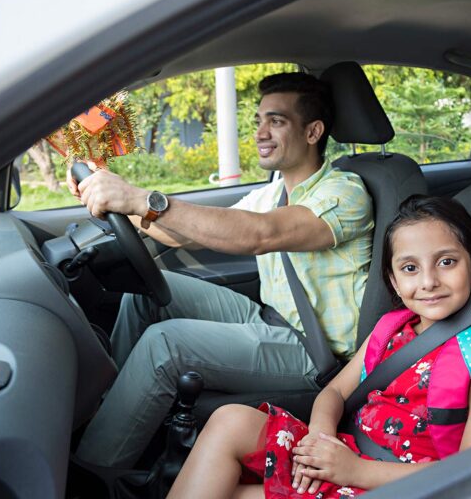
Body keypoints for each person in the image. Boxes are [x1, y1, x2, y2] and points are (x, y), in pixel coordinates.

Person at [72, 73, 374, 468]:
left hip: (316, 352)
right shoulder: (269, 193)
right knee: (147, 291)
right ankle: (112, 410)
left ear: (314, 131)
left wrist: (142, 197)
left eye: (277, 121)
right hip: (271, 318)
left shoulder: (345, 191)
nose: (261, 133)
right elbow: (185, 234)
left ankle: (91, 476)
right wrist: (120, 203)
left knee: (167, 343)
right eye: (259, 121)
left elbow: (260, 234)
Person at [167, 195, 471, 499]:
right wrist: (320, 435)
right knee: (230, 420)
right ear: (394, 281)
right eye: (410, 268)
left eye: (446, 262)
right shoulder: (393, 329)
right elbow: (334, 390)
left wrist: (354, 470)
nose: (429, 281)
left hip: (406, 484)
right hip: (348, 454)